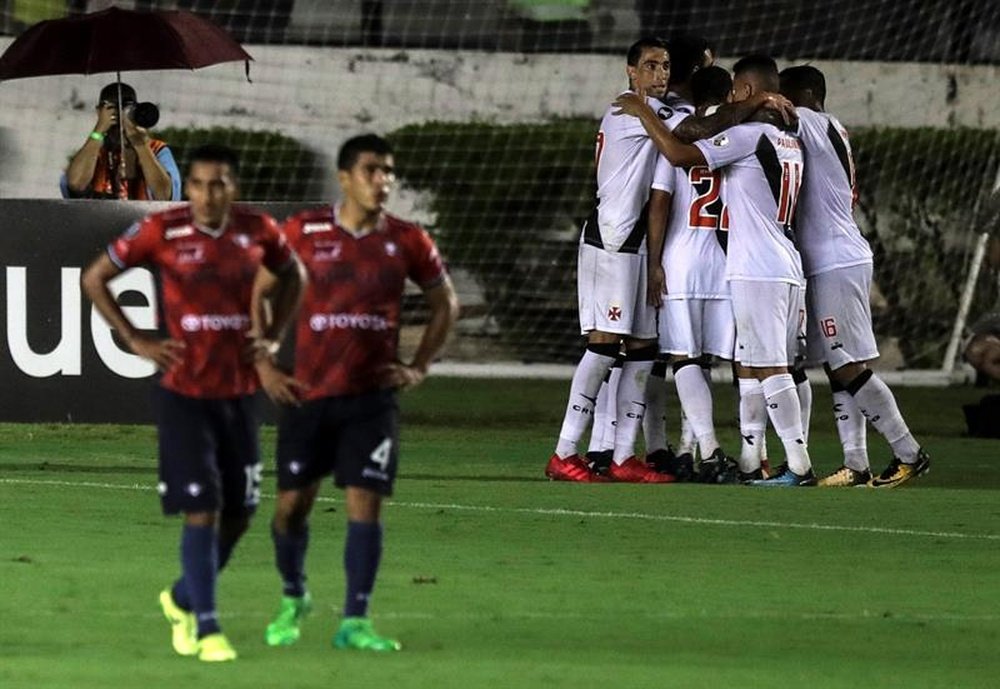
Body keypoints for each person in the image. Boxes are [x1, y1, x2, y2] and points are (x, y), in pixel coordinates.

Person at [80, 144, 306, 662]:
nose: (206, 194)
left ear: (235, 188)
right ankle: (207, 629)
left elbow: (293, 276)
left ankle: (181, 599)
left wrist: (271, 337)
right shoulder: (161, 231)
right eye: (199, 184)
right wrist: (136, 339)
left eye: (218, 184)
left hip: (239, 393)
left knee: (240, 513)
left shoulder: (260, 232)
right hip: (183, 393)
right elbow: (95, 278)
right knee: (201, 509)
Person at [261, 134, 459, 651]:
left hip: (371, 401)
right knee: (289, 508)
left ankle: (356, 620)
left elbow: (445, 304)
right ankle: (293, 594)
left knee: (365, 505)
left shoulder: (408, 239)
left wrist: (418, 366)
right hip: (308, 397)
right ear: (345, 177)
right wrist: (262, 364)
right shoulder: (302, 231)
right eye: (372, 170)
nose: (383, 181)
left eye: (388, 172)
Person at [614, 54, 816, 487]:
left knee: (732, 363)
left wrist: (644, 112)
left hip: (737, 265)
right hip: (773, 261)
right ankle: (753, 457)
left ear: (742, 92)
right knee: (752, 366)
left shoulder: (742, 135)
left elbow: (676, 153)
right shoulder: (791, 140)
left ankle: (785, 463)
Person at [780, 65, 930, 488]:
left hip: (835, 260)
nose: (782, 103)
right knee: (837, 363)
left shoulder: (810, 121)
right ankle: (856, 463)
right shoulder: (831, 127)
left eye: (787, 95)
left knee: (846, 364)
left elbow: (776, 117)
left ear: (807, 94)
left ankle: (908, 452)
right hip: (835, 257)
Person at [544, 37, 678, 484]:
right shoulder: (628, 110)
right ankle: (564, 452)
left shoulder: (653, 113)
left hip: (637, 246)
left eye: (666, 66)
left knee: (641, 348)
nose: (660, 74)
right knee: (604, 345)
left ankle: (623, 457)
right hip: (613, 242)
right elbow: (690, 135)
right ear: (631, 72)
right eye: (651, 66)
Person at [649, 64, 740, 484]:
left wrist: (654, 261)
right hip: (725, 262)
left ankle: (706, 449)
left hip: (683, 258)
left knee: (683, 357)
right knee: (712, 361)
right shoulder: (739, 135)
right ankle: (702, 448)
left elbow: (661, 201)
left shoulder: (680, 135)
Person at [62, 82, 181, 201]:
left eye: (125, 108)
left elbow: (165, 196)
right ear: (100, 112)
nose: (120, 114)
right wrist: (99, 130)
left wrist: (140, 145)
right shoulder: (94, 153)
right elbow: (75, 184)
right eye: (112, 108)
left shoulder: (157, 150)